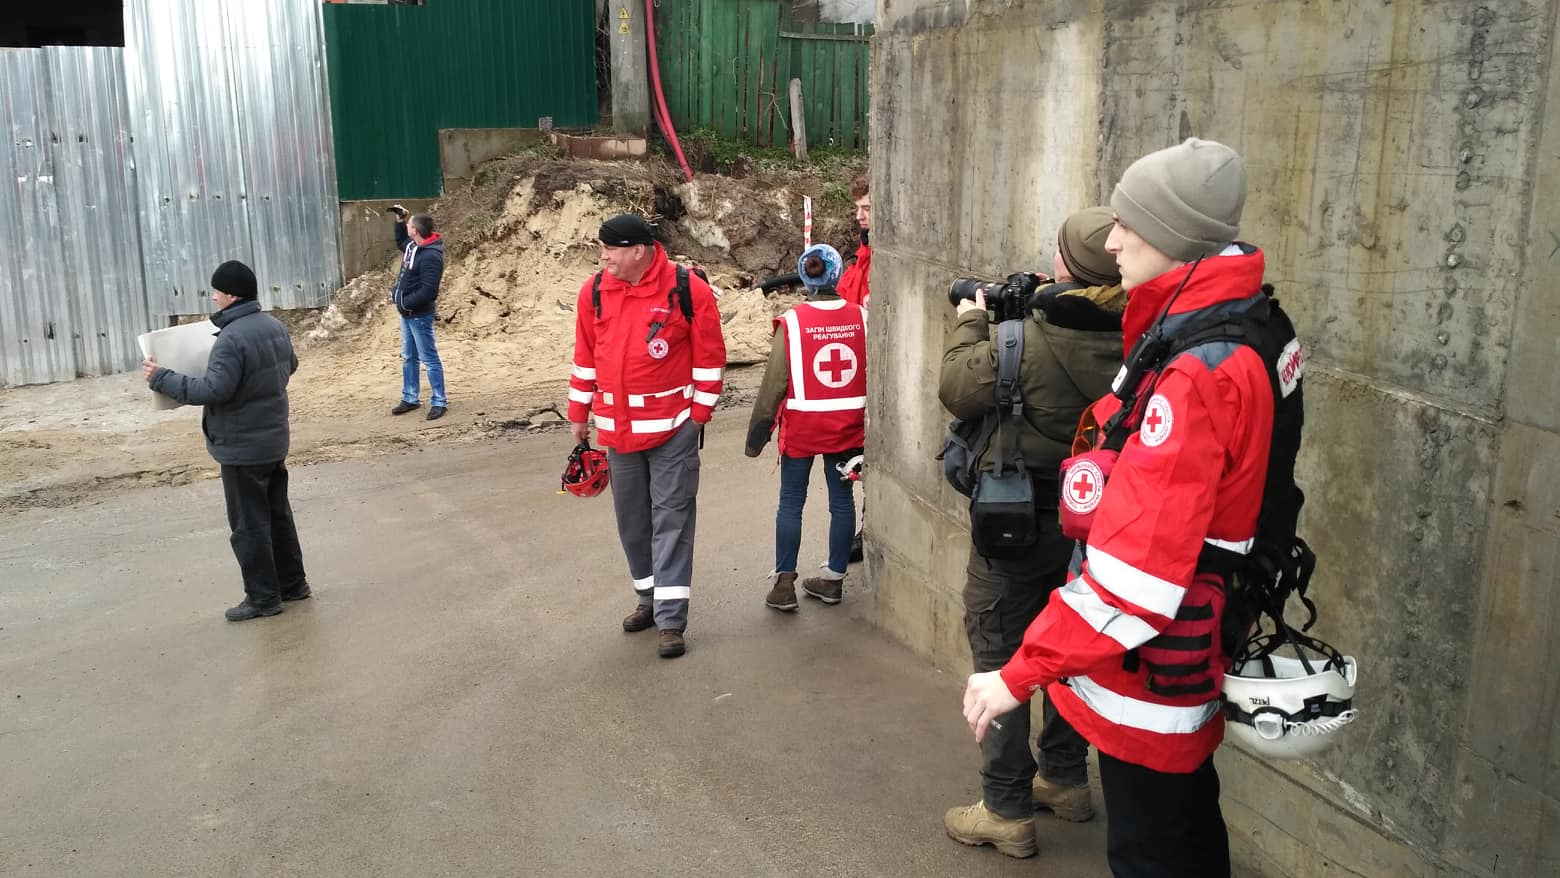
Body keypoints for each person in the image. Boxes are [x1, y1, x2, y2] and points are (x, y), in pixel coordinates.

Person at [961, 138, 1265, 877]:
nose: (1116, 241)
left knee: (1149, 851)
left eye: (1131, 224)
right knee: (1191, 832)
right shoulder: (1243, 326)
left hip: (1152, 674)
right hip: (1195, 644)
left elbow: (1135, 578)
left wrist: (1015, 676)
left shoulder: (1192, 374)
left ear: (1177, 235)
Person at [938, 207, 1126, 857]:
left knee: (1001, 656)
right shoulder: (1146, 337)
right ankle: (1065, 780)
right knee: (1071, 650)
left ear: (1067, 263)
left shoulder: (1024, 340)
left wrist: (971, 319)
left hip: (1014, 526)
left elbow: (957, 388)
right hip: (1096, 530)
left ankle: (1006, 809)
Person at [566, 214, 727, 659]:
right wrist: (579, 414)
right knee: (633, 523)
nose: (603, 257)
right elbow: (585, 358)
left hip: (674, 430)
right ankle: (648, 600)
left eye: (610, 249)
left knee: (672, 521)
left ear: (638, 251)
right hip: (618, 434)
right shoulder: (594, 292)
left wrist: (698, 416)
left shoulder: (687, 289)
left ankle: (671, 620)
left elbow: (710, 357)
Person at [141, 261, 310, 622]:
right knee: (277, 516)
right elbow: (290, 365)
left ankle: (263, 598)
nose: (214, 297)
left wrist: (162, 378)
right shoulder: (275, 326)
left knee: (249, 526)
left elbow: (213, 390)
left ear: (232, 295)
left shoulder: (230, 338)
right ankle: (293, 584)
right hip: (273, 438)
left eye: (216, 291)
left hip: (242, 446)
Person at [745, 244, 866, 611]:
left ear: (805, 278)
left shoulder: (793, 322)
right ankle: (834, 581)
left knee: (791, 502)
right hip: (848, 427)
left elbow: (774, 384)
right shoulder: (862, 317)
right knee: (842, 501)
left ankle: (784, 585)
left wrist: (757, 436)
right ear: (838, 275)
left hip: (802, 428)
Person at [836, 172, 872, 562]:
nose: (859, 215)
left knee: (868, 458)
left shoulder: (879, 261)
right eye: (857, 208)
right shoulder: (860, 259)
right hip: (855, 373)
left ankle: (868, 529)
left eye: (867, 208)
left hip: (872, 375)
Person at [389, 205, 447, 420]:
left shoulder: (430, 256)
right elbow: (401, 242)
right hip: (408, 313)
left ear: (415, 230)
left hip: (419, 315)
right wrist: (400, 221)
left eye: (409, 224)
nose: (408, 227)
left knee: (429, 359)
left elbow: (430, 290)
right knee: (409, 357)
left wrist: (405, 303)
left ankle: (439, 401)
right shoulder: (414, 246)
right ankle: (410, 398)